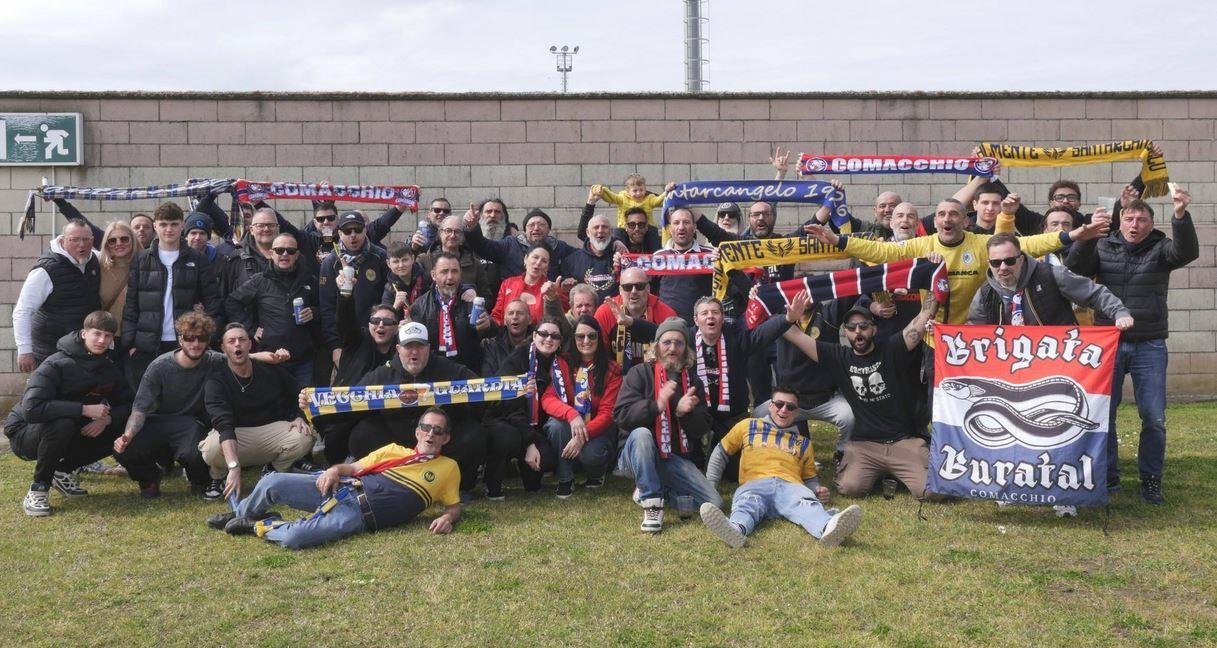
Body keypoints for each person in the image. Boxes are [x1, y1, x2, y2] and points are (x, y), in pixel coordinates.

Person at [1066, 188, 1199, 504]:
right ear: (1120, 221)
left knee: (1154, 417)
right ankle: (1110, 477)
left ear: (1151, 224)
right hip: (1107, 343)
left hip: (1149, 344)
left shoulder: (1161, 248)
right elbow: (1075, 269)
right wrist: (1087, 234)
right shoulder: (1103, 244)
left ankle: (1151, 480)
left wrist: (1180, 214)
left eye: (1141, 219)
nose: (1135, 224)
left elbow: (1187, 252)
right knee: (1103, 414)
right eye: (1129, 218)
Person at [206, 408, 461, 549]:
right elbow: (353, 468)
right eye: (426, 428)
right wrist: (334, 470)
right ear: (417, 432)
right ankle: (244, 512)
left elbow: (453, 507)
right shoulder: (393, 450)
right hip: (340, 488)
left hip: (359, 516)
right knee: (271, 482)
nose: (430, 434)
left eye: (437, 431)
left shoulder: (448, 468)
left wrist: (447, 517)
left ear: (446, 438)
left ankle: (256, 525)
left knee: (296, 539)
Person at [782, 295, 938, 501]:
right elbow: (795, 336)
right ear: (845, 331)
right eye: (852, 327)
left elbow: (920, 321)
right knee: (849, 488)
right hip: (865, 445)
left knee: (931, 492)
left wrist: (936, 286)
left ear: (874, 329)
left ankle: (896, 469)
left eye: (864, 326)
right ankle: (882, 471)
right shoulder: (839, 356)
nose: (858, 332)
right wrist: (787, 317)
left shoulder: (892, 349)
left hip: (903, 441)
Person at [699, 385, 863, 549]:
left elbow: (810, 478)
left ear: (796, 412)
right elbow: (720, 453)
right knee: (747, 504)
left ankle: (828, 528)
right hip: (756, 484)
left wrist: (817, 490)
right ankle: (736, 529)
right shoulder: (747, 426)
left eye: (790, 407)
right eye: (779, 404)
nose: (784, 410)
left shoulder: (803, 443)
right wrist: (711, 485)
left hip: (791, 488)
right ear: (770, 406)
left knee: (807, 505)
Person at [5, 311, 131, 517]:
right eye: (96, 334)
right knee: (61, 422)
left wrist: (108, 419)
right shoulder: (54, 363)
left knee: (121, 425)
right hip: (25, 433)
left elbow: (128, 403)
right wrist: (83, 409)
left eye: (107, 336)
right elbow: (31, 409)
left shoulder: (109, 366)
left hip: (70, 427)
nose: (101, 340)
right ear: (83, 333)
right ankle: (38, 489)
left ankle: (63, 470)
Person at [342, 322, 488, 497]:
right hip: (396, 444)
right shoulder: (381, 375)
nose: (414, 352)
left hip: (438, 444)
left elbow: (484, 391)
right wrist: (310, 403)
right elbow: (349, 403)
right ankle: (381, 484)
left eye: (419, 346)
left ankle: (458, 486)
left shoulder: (448, 368)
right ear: (398, 349)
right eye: (408, 347)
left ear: (428, 348)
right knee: (361, 434)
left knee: (473, 435)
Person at [613, 317, 723, 533]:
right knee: (643, 434)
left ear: (686, 349)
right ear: (656, 346)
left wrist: (683, 414)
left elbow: (702, 428)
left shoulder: (693, 382)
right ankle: (652, 504)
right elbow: (621, 416)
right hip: (635, 455)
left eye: (679, 343)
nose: (673, 348)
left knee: (715, 503)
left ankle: (652, 488)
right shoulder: (639, 373)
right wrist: (656, 405)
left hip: (672, 458)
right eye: (667, 342)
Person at [112, 312, 223, 498]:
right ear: (180, 339)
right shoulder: (160, 366)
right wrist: (128, 435)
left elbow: (243, 359)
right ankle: (149, 478)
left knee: (194, 454)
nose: (195, 344)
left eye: (201, 338)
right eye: (189, 338)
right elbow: (140, 409)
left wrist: (272, 357)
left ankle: (199, 481)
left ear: (208, 340)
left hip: (192, 423)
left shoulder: (215, 360)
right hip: (159, 420)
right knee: (123, 450)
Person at [200, 324, 314, 502]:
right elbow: (223, 423)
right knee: (211, 447)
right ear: (223, 348)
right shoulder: (216, 379)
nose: (237, 344)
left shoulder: (269, 370)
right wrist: (234, 467)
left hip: (268, 431)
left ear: (250, 345)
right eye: (231, 341)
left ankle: (273, 471)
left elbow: (302, 392)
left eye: (242, 340)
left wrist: (300, 416)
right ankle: (219, 477)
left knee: (304, 436)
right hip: (235, 434)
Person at [688, 295, 796, 470]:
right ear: (695, 319)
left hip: (732, 416)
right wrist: (631, 322)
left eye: (715, 312)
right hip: (699, 413)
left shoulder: (735, 338)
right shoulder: (686, 339)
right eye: (704, 313)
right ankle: (698, 453)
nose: (710, 317)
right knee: (695, 464)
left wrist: (787, 319)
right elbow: (658, 331)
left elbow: (762, 334)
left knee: (732, 471)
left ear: (723, 317)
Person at [122, 201, 223, 390]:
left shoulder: (197, 259)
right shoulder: (141, 259)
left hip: (184, 341)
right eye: (163, 224)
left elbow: (213, 301)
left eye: (174, 224)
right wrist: (130, 344)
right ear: (155, 226)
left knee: (181, 393)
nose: (169, 229)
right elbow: (131, 305)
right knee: (149, 396)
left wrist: (206, 337)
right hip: (146, 344)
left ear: (182, 226)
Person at [968, 233, 1133, 328]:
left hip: (1058, 357)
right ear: (989, 263)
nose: (1003, 267)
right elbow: (975, 331)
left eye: (1009, 261)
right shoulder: (985, 293)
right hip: (1010, 364)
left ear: (1021, 259)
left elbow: (1095, 294)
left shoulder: (1051, 275)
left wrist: (1119, 313)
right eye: (996, 263)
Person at [482, 317, 566, 499]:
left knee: (546, 460)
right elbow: (509, 407)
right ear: (534, 336)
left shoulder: (559, 365)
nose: (548, 339)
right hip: (503, 418)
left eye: (554, 336)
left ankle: (530, 476)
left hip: (532, 424)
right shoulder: (519, 358)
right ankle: (492, 483)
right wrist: (529, 442)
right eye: (543, 334)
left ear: (560, 342)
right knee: (508, 439)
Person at [309, 303, 401, 467]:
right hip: (344, 412)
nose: (381, 325)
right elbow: (345, 321)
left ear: (396, 328)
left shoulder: (400, 350)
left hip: (379, 414)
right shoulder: (356, 339)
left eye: (387, 322)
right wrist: (345, 296)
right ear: (369, 324)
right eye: (375, 320)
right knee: (336, 444)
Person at [542, 316, 623, 497]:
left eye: (592, 336)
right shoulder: (562, 363)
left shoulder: (612, 370)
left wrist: (581, 436)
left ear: (599, 338)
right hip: (570, 424)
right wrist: (572, 415)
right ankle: (565, 478)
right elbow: (548, 398)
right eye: (580, 337)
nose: (586, 341)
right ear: (574, 338)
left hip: (597, 430)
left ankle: (596, 473)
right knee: (555, 426)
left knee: (591, 453)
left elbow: (608, 413)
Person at [225, 233, 319, 385]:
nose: (285, 254)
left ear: (297, 255)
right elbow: (232, 302)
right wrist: (250, 329)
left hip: (302, 360)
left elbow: (325, 308)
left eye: (290, 251)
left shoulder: (309, 279)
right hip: (270, 359)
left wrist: (314, 312)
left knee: (303, 406)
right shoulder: (260, 280)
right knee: (272, 406)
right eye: (279, 250)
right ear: (270, 253)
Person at [14, 219, 102, 370]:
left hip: (81, 348)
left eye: (86, 240)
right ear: (62, 240)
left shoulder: (95, 259)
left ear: (92, 241)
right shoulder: (45, 270)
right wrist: (24, 350)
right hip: (49, 349)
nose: (81, 245)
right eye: (74, 240)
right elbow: (23, 311)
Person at [318, 211, 389, 370]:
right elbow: (327, 308)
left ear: (365, 230)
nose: (353, 235)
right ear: (339, 233)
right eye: (347, 231)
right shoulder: (330, 263)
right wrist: (335, 346)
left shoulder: (380, 256)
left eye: (357, 230)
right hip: (346, 340)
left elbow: (387, 299)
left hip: (376, 334)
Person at [409, 252, 494, 372]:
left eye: (454, 271)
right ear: (433, 275)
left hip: (468, 372)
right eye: (444, 272)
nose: (450, 277)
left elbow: (491, 334)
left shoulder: (471, 301)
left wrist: (488, 325)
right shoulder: (420, 305)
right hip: (433, 373)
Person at [593, 266, 677, 373]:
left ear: (648, 289)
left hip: (653, 376)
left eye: (639, 286)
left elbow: (674, 354)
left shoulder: (666, 314)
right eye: (627, 287)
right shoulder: (605, 312)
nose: (633, 291)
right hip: (616, 377)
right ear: (620, 290)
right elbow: (598, 355)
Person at [464, 205, 576, 280]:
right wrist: (472, 227)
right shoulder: (510, 244)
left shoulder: (560, 247)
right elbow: (483, 246)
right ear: (525, 230)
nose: (536, 228)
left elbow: (582, 256)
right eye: (531, 225)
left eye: (542, 224)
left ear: (549, 229)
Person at [416, 214, 494, 305]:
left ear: (463, 236)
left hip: (465, 317)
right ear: (440, 233)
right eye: (448, 231)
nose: (452, 235)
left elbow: (487, 299)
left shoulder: (475, 264)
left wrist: (476, 298)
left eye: (457, 231)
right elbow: (416, 295)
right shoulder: (424, 260)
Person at [654, 207, 714, 322]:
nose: (681, 227)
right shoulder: (658, 257)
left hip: (701, 326)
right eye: (676, 223)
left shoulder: (709, 255)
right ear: (670, 228)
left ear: (695, 227)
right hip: (668, 326)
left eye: (686, 222)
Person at [491, 244, 569, 326]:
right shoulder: (508, 284)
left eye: (544, 261)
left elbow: (563, 321)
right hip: (508, 335)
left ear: (547, 267)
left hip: (541, 337)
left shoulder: (552, 289)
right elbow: (497, 316)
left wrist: (553, 296)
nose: (538, 263)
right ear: (525, 259)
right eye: (535, 257)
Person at [560, 213, 619, 302]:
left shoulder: (621, 257)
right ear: (588, 232)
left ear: (611, 232)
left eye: (604, 227)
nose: (600, 231)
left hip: (613, 313)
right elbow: (565, 292)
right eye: (596, 227)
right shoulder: (572, 260)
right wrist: (566, 284)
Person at [97, 220, 137, 338]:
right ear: (106, 244)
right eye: (112, 241)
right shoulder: (97, 266)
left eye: (124, 239)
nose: (118, 243)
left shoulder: (146, 265)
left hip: (136, 337)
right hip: (105, 336)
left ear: (132, 240)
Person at [592, 173, 672, 229]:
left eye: (641, 190)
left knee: (653, 232)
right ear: (628, 191)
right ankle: (620, 253)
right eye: (635, 190)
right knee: (617, 233)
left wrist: (667, 191)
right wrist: (602, 191)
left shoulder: (649, 199)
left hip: (646, 228)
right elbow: (610, 197)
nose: (638, 193)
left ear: (645, 189)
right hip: (624, 228)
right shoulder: (622, 198)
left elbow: (658, 200)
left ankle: (654, 252)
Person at [481, 298, 534, 376]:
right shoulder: (492, 346)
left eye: (520, 313)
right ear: (505, 321)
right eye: (510, 313)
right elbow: (488, 379)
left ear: (530, 320)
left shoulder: (537, 344)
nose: (515, 317)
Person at [381, 241, 432, 320]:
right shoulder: (389, 289)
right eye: (396, 261)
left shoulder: (427, 280)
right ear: (388, 264)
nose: (401, 265)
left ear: (412, 259)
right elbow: (385, 320)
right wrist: (395, 307)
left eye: (404, 260)